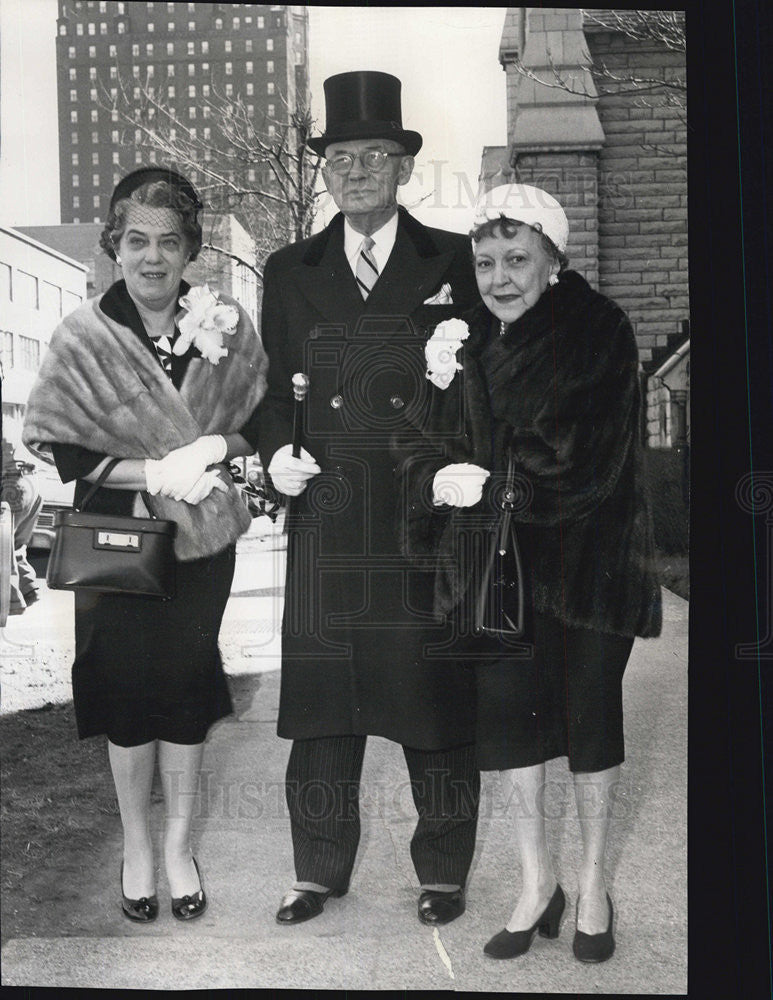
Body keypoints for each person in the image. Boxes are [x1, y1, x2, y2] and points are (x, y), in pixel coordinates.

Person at [398, 183, 662, 962]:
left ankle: (591, 885)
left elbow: (580, 457)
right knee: (508, 725)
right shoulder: (457, 338)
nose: (499, 277)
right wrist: (432, 475)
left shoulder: (598, 329)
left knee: (587, 719)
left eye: (517, 259)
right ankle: (533, 883)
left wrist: (482, 467)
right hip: (495, 569)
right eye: (484, 261)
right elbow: (416, 442)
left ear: (554, 262)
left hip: (588, 566)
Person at [256, 71, 483, 927]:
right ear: (323, 172)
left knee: (432, 703)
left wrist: (463, 465)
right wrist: (278, 450)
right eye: (339, 157)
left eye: (374, 156)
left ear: (403, 168)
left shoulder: (454, 259)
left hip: (422, 517)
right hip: (328, 516)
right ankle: (316, 871)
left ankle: (444, 872)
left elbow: (480, 386)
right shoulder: (288, 269)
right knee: (322, 706)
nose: (355, 171)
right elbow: (274, 389)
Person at [22, 167, 267, 923]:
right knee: (127, 695)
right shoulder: (83, 334)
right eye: (136, 241)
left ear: (190, 247)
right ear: (112, 247)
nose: (153, 258)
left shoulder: (226, 323)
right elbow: (60, 447)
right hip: (116, 538)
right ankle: (136, 846)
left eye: (168, 241)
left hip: (199, 541)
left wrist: (212, 449)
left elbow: (261, 419)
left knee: (186, 692)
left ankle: (178, 849)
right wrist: (152, 469)